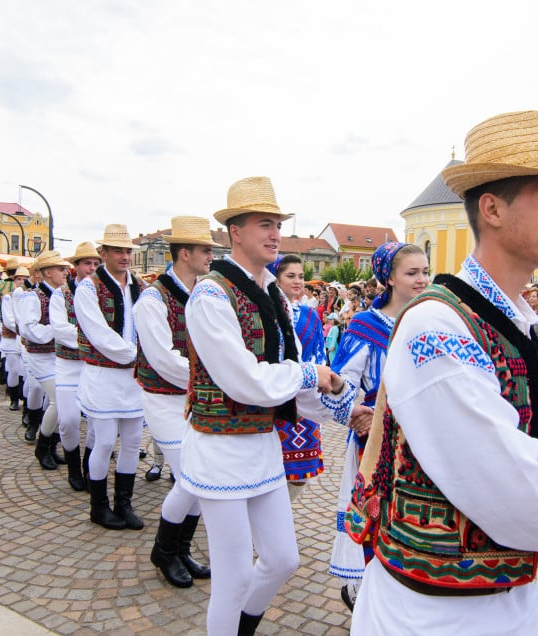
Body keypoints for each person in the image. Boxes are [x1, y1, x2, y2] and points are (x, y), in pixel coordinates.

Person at [344, 111, 538, 635]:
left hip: (499, 594)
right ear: (493, 208)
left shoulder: (511, 318)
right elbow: (502, 479)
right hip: (439, 612)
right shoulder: (439, 323)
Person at [181, 176, 361, 635]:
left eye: (277, 223)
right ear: (234, 232)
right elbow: (246, 382)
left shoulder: (276, 295)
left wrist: (341, 408)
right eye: (264, 224)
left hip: (262, 445)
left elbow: (293, 374)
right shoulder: (210, 294)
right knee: (234, 575)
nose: (275, 233)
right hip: (220, 449)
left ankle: (242, 627)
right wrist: (310, 374)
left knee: (283, 558)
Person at [329, 241, 429, 610]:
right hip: (379, 442)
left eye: (424, 271)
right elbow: (342, 383)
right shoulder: (367, 325)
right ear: (388, 277)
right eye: (412, 273)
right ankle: (370, 597)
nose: (422, 280)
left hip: (421, 439)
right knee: (378, 518)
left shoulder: (431, 318)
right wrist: (356, 410)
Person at [134, 216, 218, 588]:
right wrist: (212, 379)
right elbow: (163, 358)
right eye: (204, 250)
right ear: (184, 253)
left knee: (202, 475)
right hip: (165, 399)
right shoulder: (153, 298)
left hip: (193, 397)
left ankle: (180, 548)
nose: (210, 256)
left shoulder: (204, 292)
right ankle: (164, 550)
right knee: (189, 477)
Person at [75, 224, 147, 531]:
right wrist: (139, 355)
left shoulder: (141, 287)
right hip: (103, 375)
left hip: (132, 378)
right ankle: (98, 506)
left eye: (128, 250)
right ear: (102, 253)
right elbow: (98, 334)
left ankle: (124, 504)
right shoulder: (88, 287)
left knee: (132, 441)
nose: (125, 256)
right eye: (118, 250)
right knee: (104, 442)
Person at [269, 254, 330, 503]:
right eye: (290, 276)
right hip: (276, 400)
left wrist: (318, 385)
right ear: (276, 279)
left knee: (300, 472)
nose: (298, 281)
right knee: (272, 468)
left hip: (305, 400)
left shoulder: (309, 314)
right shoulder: (268, 311)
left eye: (301, 276)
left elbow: (318, 352)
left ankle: (282, 512)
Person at [52, 242, 101, 492]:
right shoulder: (61, 294)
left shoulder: (102, 293)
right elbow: (60, 329)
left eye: (95, 263)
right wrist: (94, 336)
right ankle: (72, 466)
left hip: (92, 364)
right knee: (69, 420)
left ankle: (88, 467)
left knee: (97, 421)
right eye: (87, 263)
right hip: (68, 363)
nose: (91, 268)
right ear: (76, 266)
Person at [17, 251, 71, 471]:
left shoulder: (61, 295)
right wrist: (56, 330)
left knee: (64, 402)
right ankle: (42, 446)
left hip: (56, 355)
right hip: (40, 356)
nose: (65, 273)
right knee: (58, 401)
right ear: (48, 272)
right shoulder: (33, 296)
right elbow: (29, 329)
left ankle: (50, 446)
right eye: (61, 269)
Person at [0, 267, 29, 412]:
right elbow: (8, 319)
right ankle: (14, 399)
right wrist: (23, 330)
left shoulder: (30, 296)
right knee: (13, 370)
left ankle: (25, 400)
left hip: (24, 338)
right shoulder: (8, 297)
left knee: (25, 370)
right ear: (14, 280)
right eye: (19, 279)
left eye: (25, 279)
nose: (22, 282)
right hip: (12, 338)